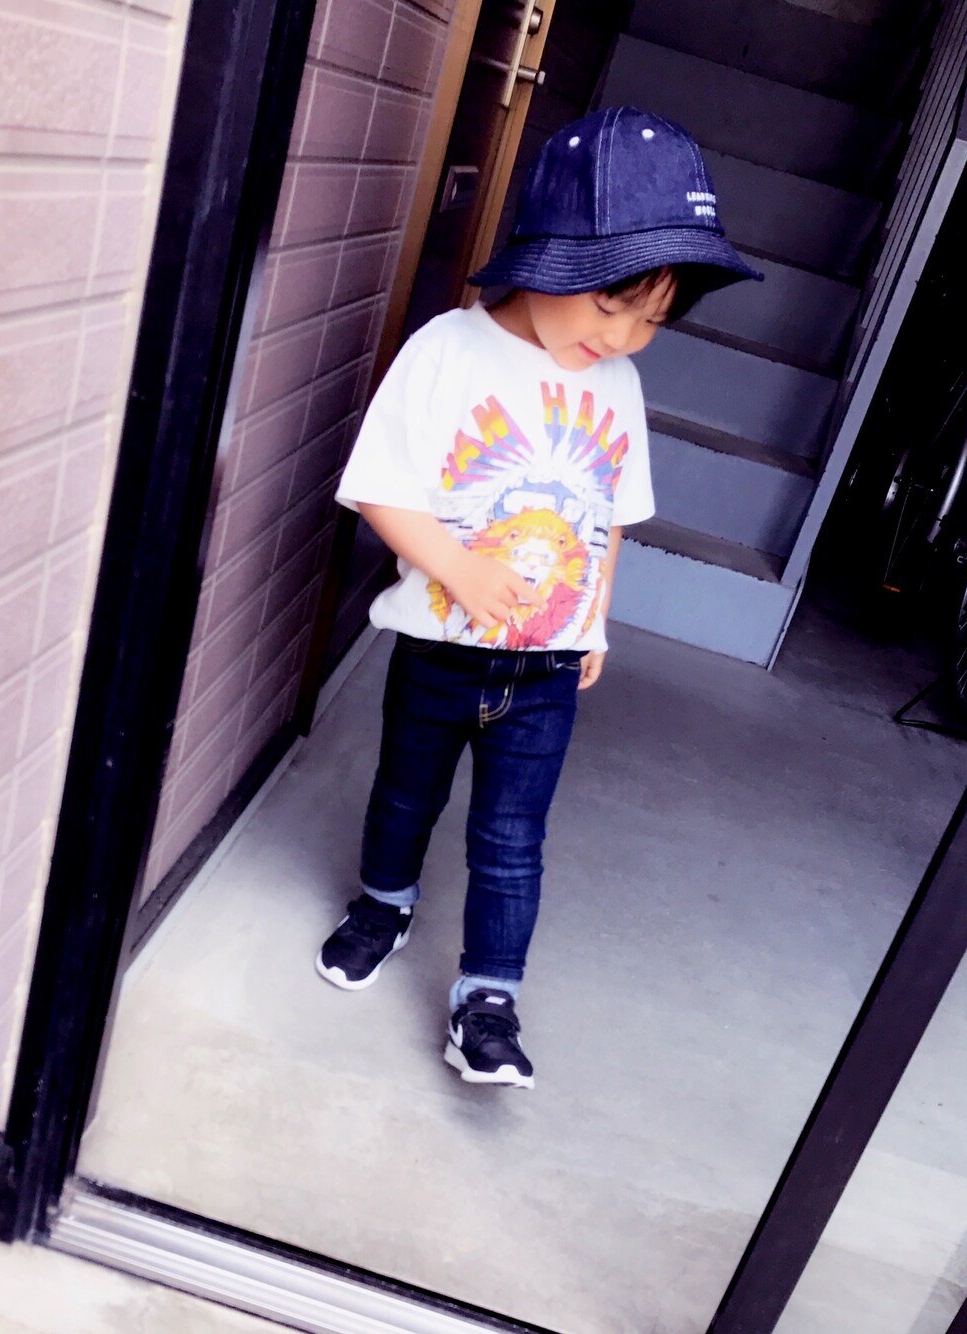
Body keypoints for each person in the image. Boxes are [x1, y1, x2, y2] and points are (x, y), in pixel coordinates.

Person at [315, 106, 762, 1088]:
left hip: (547, 670)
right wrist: (462, 571)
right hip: (440, 649)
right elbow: (379, 486)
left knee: (514, 836)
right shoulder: (448, 351)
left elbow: (610, 515)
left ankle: (488, 999)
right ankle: (383, 905)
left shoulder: (617, 385)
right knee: (405, 794)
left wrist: (594, 620)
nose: (626, 336)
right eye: (612, 304)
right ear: (549, 258)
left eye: (653, 320)